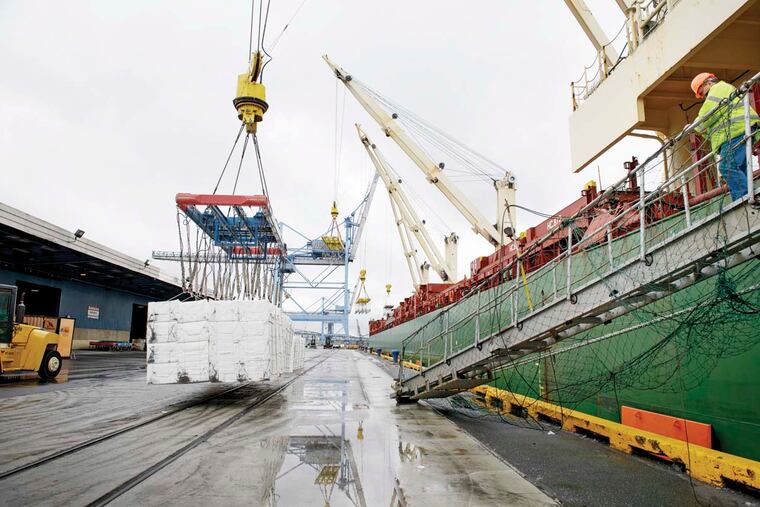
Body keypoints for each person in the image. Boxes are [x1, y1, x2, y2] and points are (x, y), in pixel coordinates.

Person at [691, 72, 760, 200]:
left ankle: (743, 199)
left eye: (703, 93)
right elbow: (712, 124)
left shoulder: (718, 88)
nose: (704, 97)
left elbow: (707, 115)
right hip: (736, 132)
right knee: (738, 167)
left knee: (726, 167)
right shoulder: (723, 91)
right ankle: (745, 197)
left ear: (709, 83)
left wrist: (694, 126)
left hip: (735, 132)